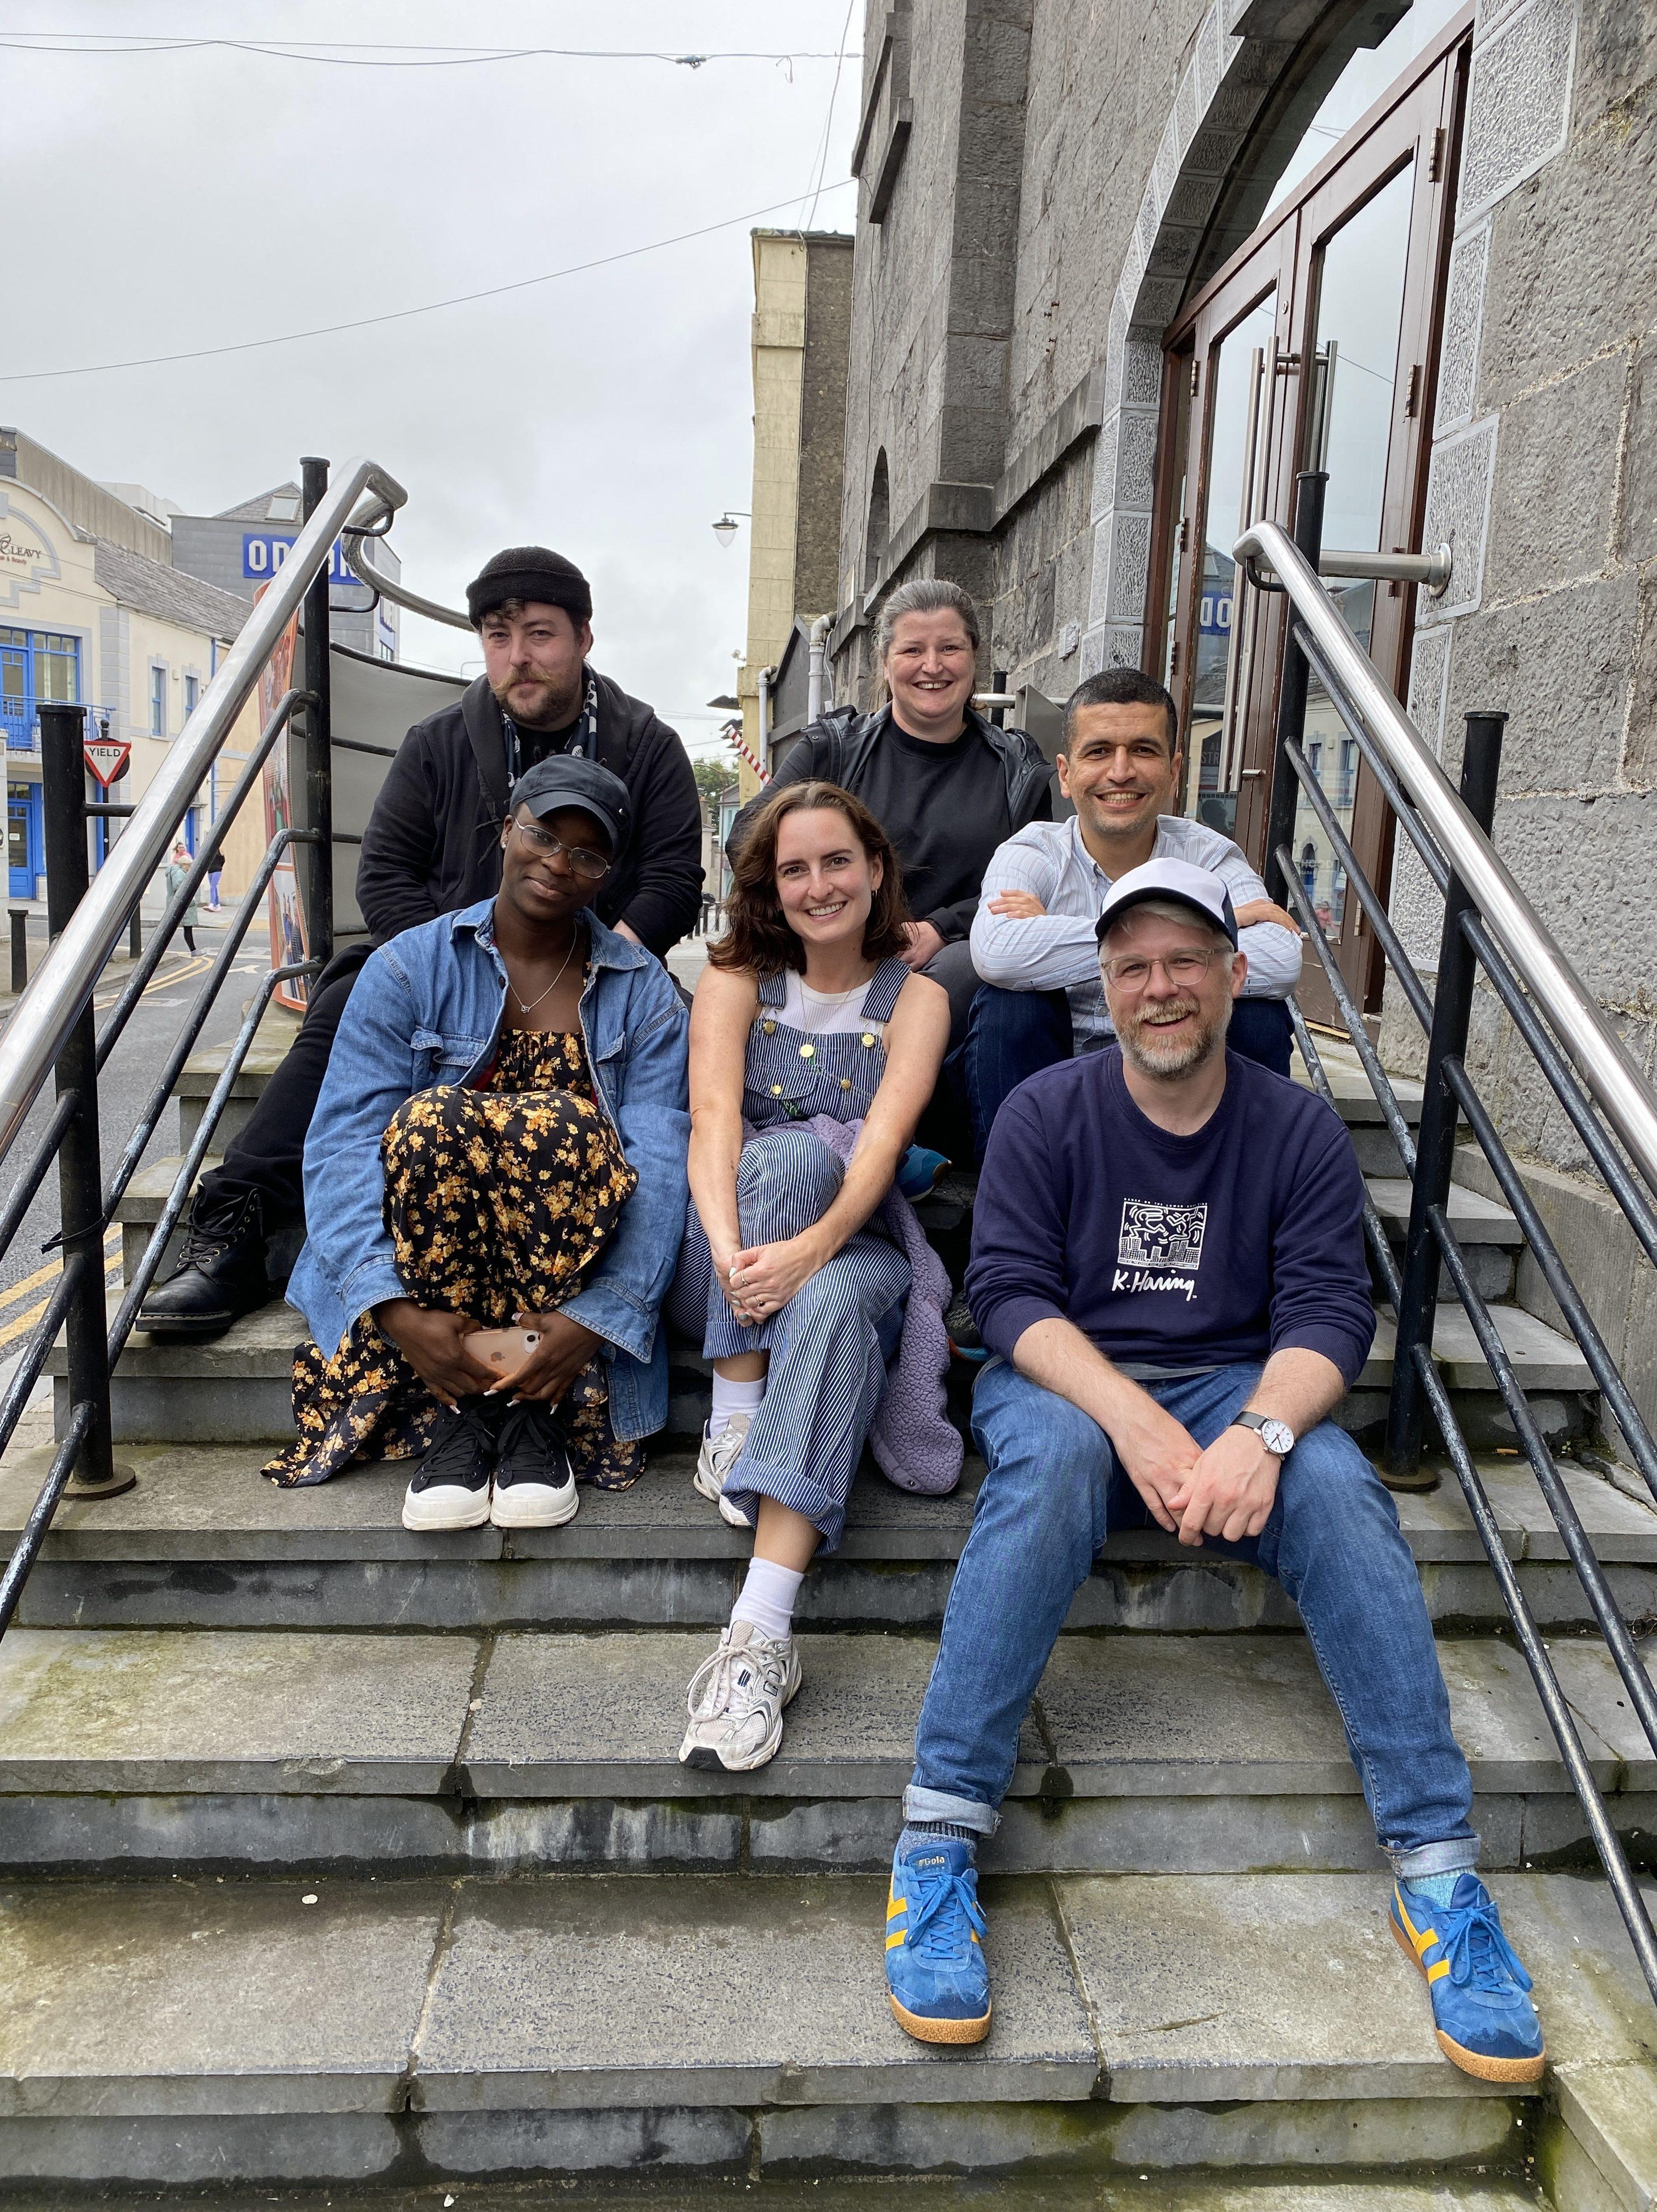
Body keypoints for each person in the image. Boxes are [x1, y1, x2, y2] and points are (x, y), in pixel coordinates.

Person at [883, 855, 1545, 2086]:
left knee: (1341, 1490)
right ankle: (935, 1839)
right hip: (1072, 1381)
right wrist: (1135, 1420)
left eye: (1184, 961)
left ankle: (1441, 1878)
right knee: (1060, 1463)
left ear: (1234, 978)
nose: (1159, 987)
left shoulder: (1291, 1124)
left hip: (1236, 1386)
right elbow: (1010, 1294)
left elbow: (1330, 1313)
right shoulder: (1046, 1112)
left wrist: (1262, 1436)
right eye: (1131, 966)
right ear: (1106, 986)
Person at [140, 545, 703, 1342]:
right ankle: (242, 1225)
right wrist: (447, 968)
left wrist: (602, 961)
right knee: (343, 1004)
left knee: (681, 1027)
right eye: (498, 636)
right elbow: (387, 874)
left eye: (539, 634)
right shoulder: (437, 742)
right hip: (443, 971)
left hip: (594, 973)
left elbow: (675, 877)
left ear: (583, 638)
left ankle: (672, 1249)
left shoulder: (646, 743)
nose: (518, 656)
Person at [265, 757, 689, 1531]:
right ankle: (459, 1417)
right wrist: (390, 1306)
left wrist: (601, 1315)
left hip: (568, 1304)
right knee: (436, 1118)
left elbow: (660, 1166)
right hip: (428, 1297)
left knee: (566, 1124)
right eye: (541, 835)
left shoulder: (645, 994)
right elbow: (342, 1142)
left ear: (608, 875)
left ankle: (529, 1422)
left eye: (587, 854)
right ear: (507, 830)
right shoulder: (405, 969)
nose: (558, 864)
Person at [672, 781, 951, 1773]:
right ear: (768, 885)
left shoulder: (918, 999)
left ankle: (753, 1642)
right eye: (795, 867)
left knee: (827, 1243)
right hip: (735, 1243)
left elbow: (878, 1149)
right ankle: (733, 1408)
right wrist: (732, 1252)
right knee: (776, 1158)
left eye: (838, 861)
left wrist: (815, 1245)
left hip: (856, 1238)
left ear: (875, 871)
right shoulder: (737, 979)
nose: (819, 884)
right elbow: (711, 1122)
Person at [964, 666, 1303, 1163]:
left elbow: (1279, 960)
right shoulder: (1033, 850)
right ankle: (1014, 1194)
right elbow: (997, 954)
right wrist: (1190, 936)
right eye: (1098, 752)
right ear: (1065, 774)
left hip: (1183, 1065)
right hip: (1063, 1074)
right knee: (1009, 1009)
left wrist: (1068, 935)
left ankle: (1246, 1190)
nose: (1120, 772)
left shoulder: (1209, 855)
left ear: (1173, 770)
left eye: (1142, 750)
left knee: (1259, 1015)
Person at [727, 580, 1049, 1059]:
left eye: (950, 648)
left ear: (974, 658)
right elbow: (746, 843)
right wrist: (847, 925)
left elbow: (1038, 884)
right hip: (840, 966)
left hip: (958, 981)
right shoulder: (831, 750)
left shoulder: (1015, 768)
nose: (932, 666)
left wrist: (941, 928)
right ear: (884, 662)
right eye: (912, 650)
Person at [163, 842, 200, 953]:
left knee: (183, 927)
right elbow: (179, 888)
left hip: (178, 903)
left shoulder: (177, 871)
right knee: (182, 927)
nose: (190, 868)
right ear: (185, 865)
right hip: (180, 904)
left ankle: (193, 950)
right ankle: (193, 951)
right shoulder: (179, 873)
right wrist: (188, 900)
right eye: (189, 866)